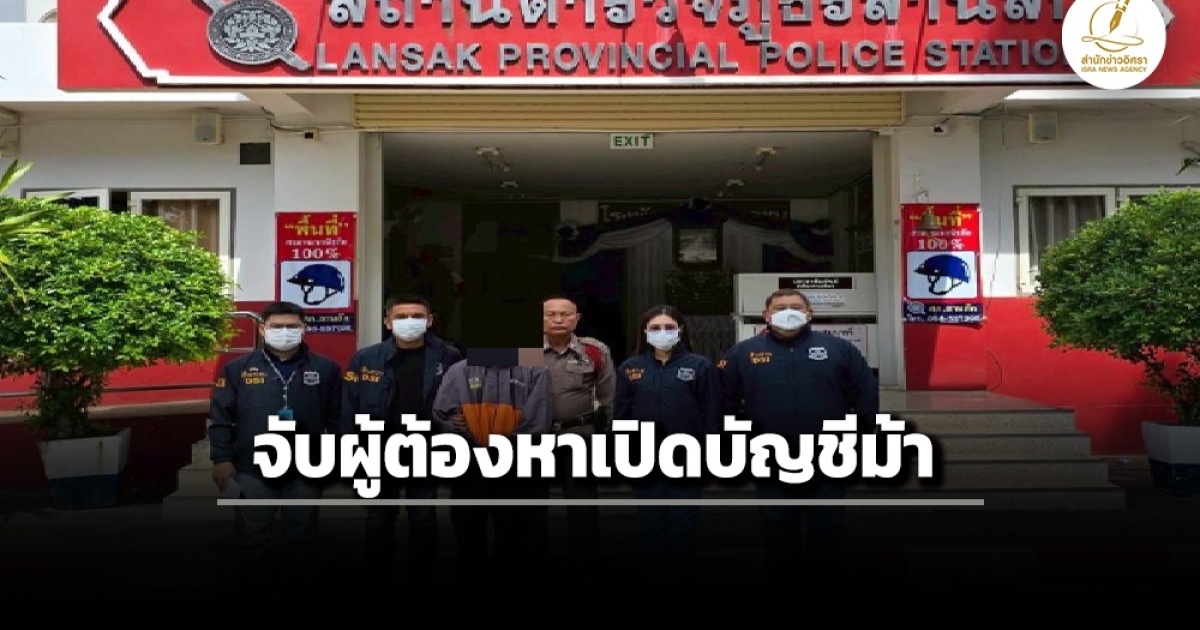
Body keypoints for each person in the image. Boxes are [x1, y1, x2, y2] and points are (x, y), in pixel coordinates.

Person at [718, 288, 878, 587]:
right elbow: (725, 402)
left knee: (828, 526)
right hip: (770, 457)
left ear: (809, 313)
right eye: (780, 307)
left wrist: (860, 438)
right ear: (766, 315)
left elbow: (865, 395)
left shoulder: (839, 349)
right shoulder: (742, 353)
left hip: (827, 456)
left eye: (795, 306)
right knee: (777, 525)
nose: (788, 312)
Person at [209, 301, 342, 601]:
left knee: (302, 536)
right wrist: (222, 459)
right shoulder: (237, 369)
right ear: (262, 329)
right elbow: (221, 418)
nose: (285, 332)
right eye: (277, 326)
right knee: (251, 538)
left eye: (292, 326)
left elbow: (337, 419)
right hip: (251, 467)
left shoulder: (326, 369)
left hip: (306, 467)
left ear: (304, 328)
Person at [341, 294, 463, 597]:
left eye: (417, 316)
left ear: (430, 320)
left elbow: (461, 400)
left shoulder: (449, 356)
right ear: (387, 322)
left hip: (427, 448)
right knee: (379, 516)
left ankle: (421, 584)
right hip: (379, 448)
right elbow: (349, 408)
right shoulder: (365, 358)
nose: (410, 322)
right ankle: (378, 582)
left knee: (423, 516)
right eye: (401, 317)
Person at [613, 305, 721, 590]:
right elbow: (620, 416)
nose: (663, 333)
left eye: (669, 327)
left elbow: (711, 414)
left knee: (683, 524)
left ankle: (681, 585)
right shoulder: (629, 368)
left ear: (681, 330)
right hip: (645, 459)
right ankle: (655, 584)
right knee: (650, 523)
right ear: (645, 332)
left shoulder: (700, 366)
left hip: (686, 458)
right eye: (655, 328)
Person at [429, 347, 551, 592]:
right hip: (469, 465)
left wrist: (504, 448)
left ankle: (506, 590)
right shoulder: (459, 370)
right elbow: (442, 413)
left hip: (513, 464)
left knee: (512, 533)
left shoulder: (536, 368)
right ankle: (470, 590)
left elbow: (538, 420)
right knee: (467, 533)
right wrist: (468, 440)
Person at [540, 294, 615, 575]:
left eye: (565, 314)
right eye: (551, 314)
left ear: (577, 319)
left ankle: (586, 572)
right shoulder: (526, 351)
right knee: (531, 508)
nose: (558, 319)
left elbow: (609, 399)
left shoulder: (594, 351)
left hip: (579, 437)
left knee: (583, 509)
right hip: (536, 440)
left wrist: (610, 440)